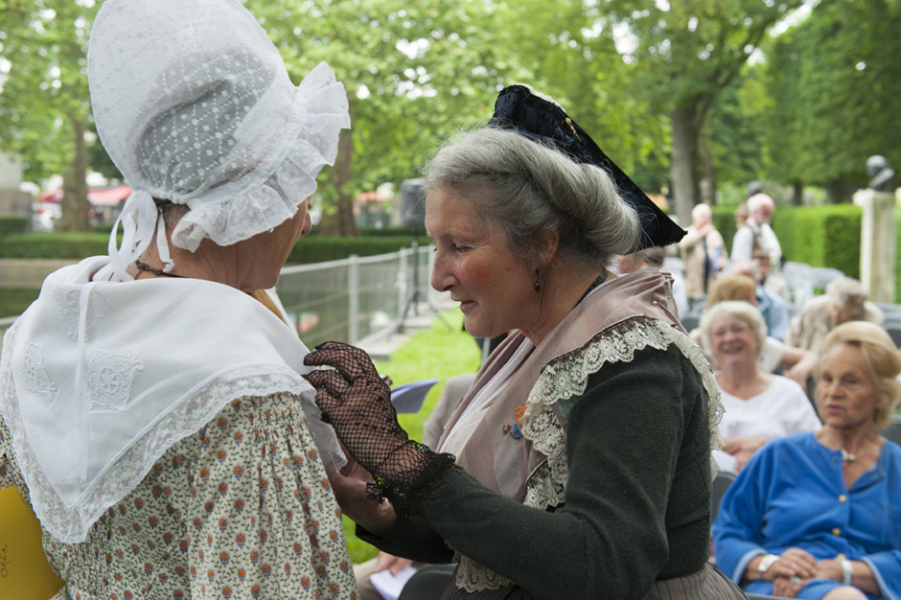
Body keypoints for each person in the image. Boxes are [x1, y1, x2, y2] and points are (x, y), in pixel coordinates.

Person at [303, 85, 745, 599]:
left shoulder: (632, 358)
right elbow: (498, 535)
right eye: (436, 246)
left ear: (542, 243)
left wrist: (409, 464)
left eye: (460, 246)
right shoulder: (537, 344)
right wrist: (380, 511)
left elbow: (606, 564)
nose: (438, 278)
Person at [0, 1, 357, 599]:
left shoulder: (46, 330)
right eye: (295, 186)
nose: (307, 217)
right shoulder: (242, 395)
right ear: (246, 194)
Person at [713, 321, 901, 600]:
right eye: (826, 379)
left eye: (850, 381)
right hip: (778, 591)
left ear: (881, 394)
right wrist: (772, 566)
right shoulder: (777, 456)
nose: (833, 392)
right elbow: (728, 534)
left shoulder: (896, 467)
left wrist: (843, 571)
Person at [700, 302, 820, 472]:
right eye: (720, 333)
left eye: (738, 329)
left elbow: (814, 447)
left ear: (757, 337)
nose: (729, 338)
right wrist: (743, 443)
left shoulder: (789, 392)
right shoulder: (700, 390)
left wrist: (766, 451)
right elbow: (685, 447)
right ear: (711, 344)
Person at [697, 275, 818, 387]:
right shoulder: (696, 343)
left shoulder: (757, 342)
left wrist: (799, 371)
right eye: (746, 299)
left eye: (755, 299)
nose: (755, 305)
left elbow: (810, 357)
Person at [786, 278, 885, 355]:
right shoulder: (811, 308)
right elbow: (791, 340)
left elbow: (875, 355)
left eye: (843, 311)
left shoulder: (872, 318)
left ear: (855, 311)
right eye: (834, 307)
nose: (836, 314)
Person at [617, 246, 690, 318]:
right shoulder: (676, 280)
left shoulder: (635, 280)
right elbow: (681, 307)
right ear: (663, 261)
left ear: (641, 262)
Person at [730, 259, 791, 341]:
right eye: (734, 279)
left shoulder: (775, 304)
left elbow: (779, 339)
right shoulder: (724, 300)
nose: (738, 283)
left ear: (758, 279)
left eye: (744, 279)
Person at [679, 203, 728, 300]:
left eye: (708, 217)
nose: (706, 220)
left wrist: (721, 263)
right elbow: (683, 244)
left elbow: (723, 254)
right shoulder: (686, 232)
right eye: (703, 217)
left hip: (711, 282)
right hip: (693, 285)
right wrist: (701, 233)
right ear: (694, 219)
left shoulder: (715, 235)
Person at [732, 193, 782, 272]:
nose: (769, 216)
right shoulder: (746, 232)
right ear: (755, 211)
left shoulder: (763, 230)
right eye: (765, 212)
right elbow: (741, 263)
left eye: (770, 212)